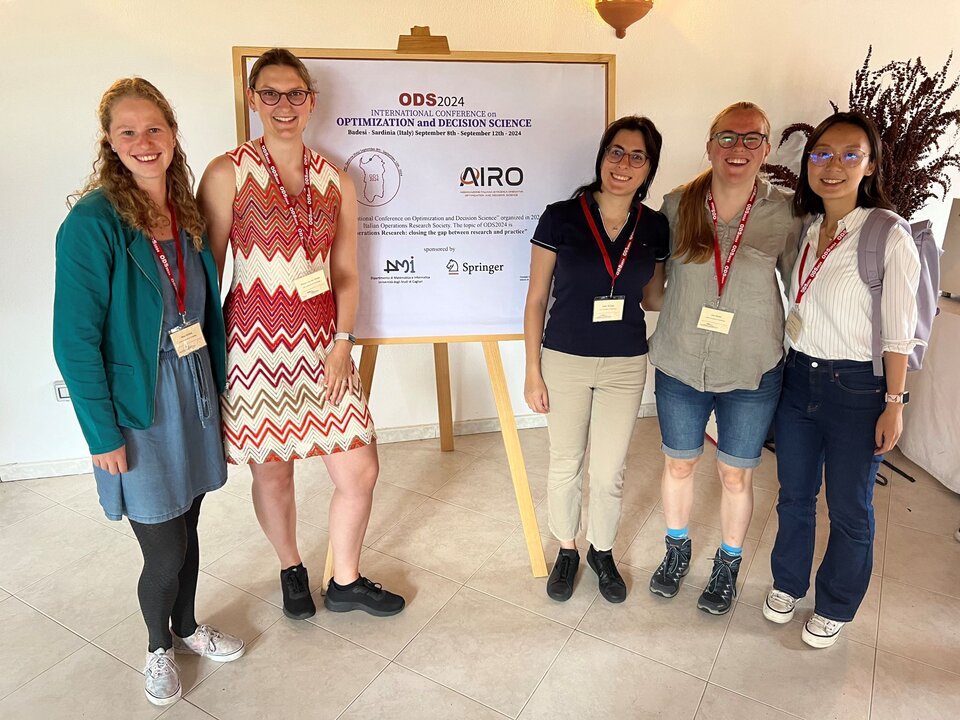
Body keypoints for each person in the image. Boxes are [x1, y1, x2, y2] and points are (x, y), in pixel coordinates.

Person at [53, 78, 244, 707]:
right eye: (128, 131)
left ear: (173, 134)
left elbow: (201, 310)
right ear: (109, 140)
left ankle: (187, 627)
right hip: (139, 405)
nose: (144, 142)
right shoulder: (92, 223)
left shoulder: (183, 210)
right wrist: (102, 434)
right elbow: (74, 341)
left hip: (190, 389)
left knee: (188, 522)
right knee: (162, 546)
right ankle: (158, 646)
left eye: (154, 128)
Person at [198, 48, 403, 619]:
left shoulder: (336, 179)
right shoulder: (226, 172)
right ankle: (291, 567)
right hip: (252, 346)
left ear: (311, 100)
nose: (283, 105)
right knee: (274, 471)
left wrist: (344, 343)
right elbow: (208, 270)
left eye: (294, 94)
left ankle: (345, 580)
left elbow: (345, 272)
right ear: (252, 99)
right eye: (271, 93)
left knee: (360, 468)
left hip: (324, 345)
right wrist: (208, 357)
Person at [764, 111, 920, 647]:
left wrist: (894, 403)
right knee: (794, 495)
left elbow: (900, 332)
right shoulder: (807, 230)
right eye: (822, 153)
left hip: (858, 389)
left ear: (870, 164)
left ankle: (836, 603)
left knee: (850, 507)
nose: (833, 166)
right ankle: (787, 582)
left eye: (849, 154)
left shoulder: (887, 234)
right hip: (798, 378)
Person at [647, 102, 800, 615]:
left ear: (767, 147)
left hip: (751, 368)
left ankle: (728, 562)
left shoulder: (786, 213)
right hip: (681, 363)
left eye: (751, 138)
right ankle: (676, 550)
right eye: (727, 138)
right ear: (709, 145)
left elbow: (802, 287)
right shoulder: (675, 205)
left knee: (737, 474)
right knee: (680, 464)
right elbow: (653, 286)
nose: (738, 149)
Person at [524, 116, 669, 603]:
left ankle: (601, 551)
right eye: (616, 152)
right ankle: (567, 549)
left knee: (609, 469)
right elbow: (536, 298)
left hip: (625, 363)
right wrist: (531, 370)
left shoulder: (655, 226)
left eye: (636, 156)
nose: (623, 164)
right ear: (602, 156)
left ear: (648, 169)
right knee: (566, 461)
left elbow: (653, 298)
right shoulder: (561, 217)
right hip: (564, 357)